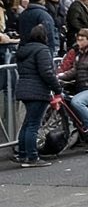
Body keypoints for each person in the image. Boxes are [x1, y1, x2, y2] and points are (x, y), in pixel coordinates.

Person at [11, 24, 58, 167]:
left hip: (23, 88)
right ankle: (32, 157)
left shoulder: (23, 51)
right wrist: (57, 88)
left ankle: (22, 154)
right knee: (33, 125)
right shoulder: (42, 50)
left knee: (26, 124)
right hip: (37, 90)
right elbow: (47, 72)